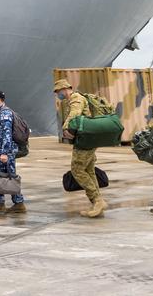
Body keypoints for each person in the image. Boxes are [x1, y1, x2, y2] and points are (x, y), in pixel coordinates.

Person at [55, 78, 106, 218]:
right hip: (88, 138)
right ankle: (97, 202)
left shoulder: (76, 98)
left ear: (64, 89)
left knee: (77, 169)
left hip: (85, 140)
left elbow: (75, 114)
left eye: (58, 91)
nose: (57, 94)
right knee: (89, 170)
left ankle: (97, 200)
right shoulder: (76, 98)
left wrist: (66, 127)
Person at [0, 90, 26, 214]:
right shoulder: (1, 113)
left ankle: (14, 203)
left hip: (5, 150)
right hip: (2, 149)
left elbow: (7, 133)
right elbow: (2, 130)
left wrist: (4, 153)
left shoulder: (5, 113)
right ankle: (3, 203)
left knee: (8, 176)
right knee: (0, 175)